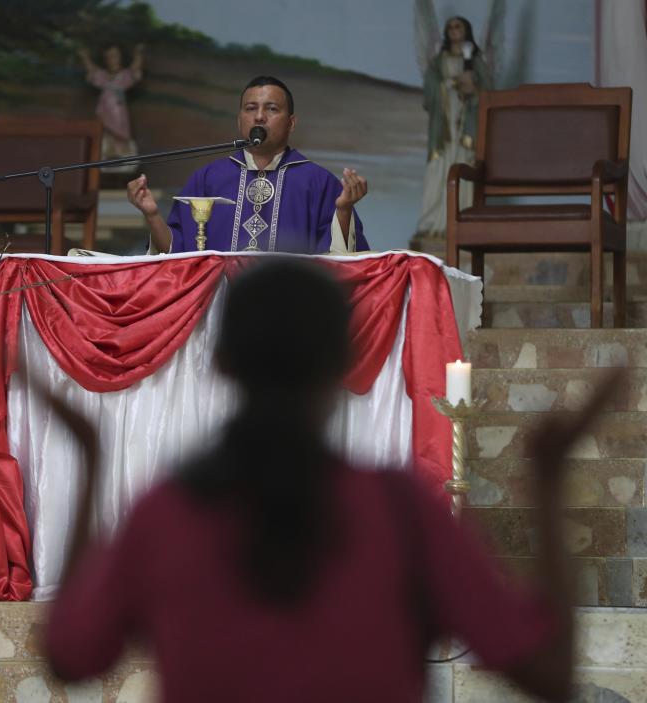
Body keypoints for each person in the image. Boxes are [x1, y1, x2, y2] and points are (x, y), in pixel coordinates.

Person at [43, 257, 614, 702]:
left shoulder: (169, 512)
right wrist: (547, 482)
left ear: (220, 363)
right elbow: (549, 675)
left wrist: (89, 461)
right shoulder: (398, 509)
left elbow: (69, 656)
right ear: (342, 363)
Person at [128, 76, 369, 255]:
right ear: (239, 119)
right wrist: (152, 215)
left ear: (291, 123)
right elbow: (175, 256)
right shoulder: (208, 179)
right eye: (250, 108)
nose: (259, 117)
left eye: (272, 109)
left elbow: (342, 263)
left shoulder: (317, 182)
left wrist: (344, 211)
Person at [416, 16, 491, 237]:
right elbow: (429, 91)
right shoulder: (439, 62)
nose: (453, 31)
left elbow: (488, 94)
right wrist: (448, 85)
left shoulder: (476, 61)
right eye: (450, 27)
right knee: (438, 170)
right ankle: (433, 222)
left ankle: (463, 220)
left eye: (458, 26)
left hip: (466, 123)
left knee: (464, 164)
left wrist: (473, 89)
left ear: (466, 30)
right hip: (443, 126)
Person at [77, 44, 145, 162]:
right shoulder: (103, 75)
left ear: (120, 58)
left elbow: (134, 69)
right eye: (108, 57)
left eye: (114, 56)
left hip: (118, 112)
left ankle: (121, 158)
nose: (111, 59)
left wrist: (138, 54)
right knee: (105, 135)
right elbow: (92, 70)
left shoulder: (124, 76)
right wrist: (85, 57)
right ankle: (105, 157)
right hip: (104, 111)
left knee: (120, 134)